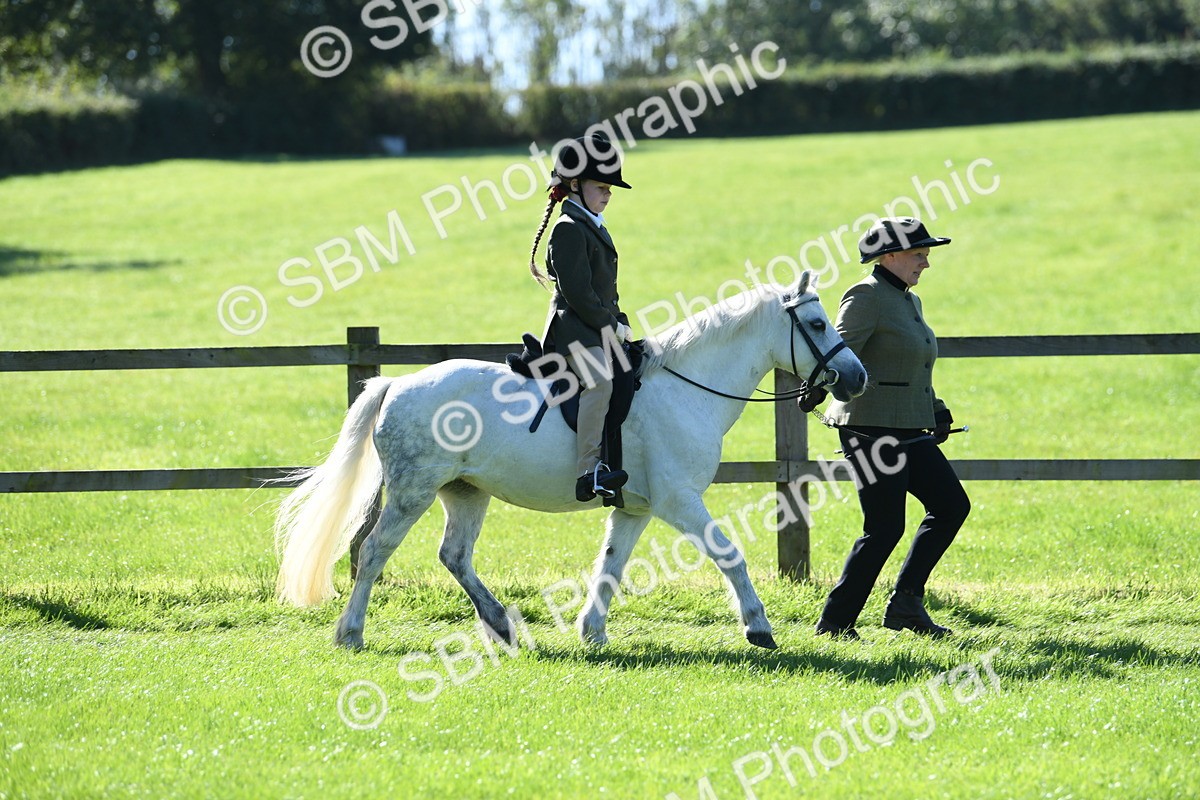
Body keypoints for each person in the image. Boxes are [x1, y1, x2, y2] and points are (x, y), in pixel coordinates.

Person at [813, 217, 971, 640]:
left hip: (907, 426)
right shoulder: (866, 296)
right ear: (891, 256)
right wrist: (818, 388)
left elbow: (912, 367)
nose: (926, 263)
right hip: (869, 428)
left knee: (951, 506)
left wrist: (935, 410)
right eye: (919, 254)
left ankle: (905, 603)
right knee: (884, 528)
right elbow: (837, 356)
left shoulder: (908, 300)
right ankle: (835, 623)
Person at [528, 134, 634, 503]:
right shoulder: (568, 229)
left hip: (596, 328)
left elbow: (605, 290)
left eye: (610, 188)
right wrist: (612, 326)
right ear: (575, 185)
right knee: (600, 383)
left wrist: (622, 321)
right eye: (602, 186)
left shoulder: (591, 224)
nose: (608, 194)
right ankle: (588, 473)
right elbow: (580, 295)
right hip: (575, 332)